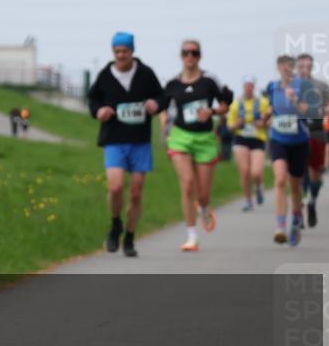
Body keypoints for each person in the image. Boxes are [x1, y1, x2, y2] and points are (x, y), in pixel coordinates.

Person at [87, 31, 165, 257]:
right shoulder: (105, 75)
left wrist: (155, 104)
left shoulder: (146, 74)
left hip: (140, 141)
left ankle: (130, 237)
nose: (120, 55)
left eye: (125, 51)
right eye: (117, 51)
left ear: (132, 52)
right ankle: (115, 225)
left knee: (136, 193)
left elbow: (161, 97)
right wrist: (98, 111)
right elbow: (93, 100)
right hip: (114, 139)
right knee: (115, 187)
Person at [158, 39, 234, 252]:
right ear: (181, 56)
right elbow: (162, 104)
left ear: (200, 56)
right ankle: (191, 236)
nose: (190, 57)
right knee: (187, 184)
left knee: (202, 194)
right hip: (180, 137)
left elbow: (225, 105)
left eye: (194, 53)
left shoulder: (209, 81)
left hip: (205, 139)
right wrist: (163, 119)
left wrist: (213, 111)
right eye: (185, 53)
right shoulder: (173, 83)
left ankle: (203, 206)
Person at [264, 55, 313, 246]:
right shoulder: (272, 87)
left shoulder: (303, 86)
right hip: (278, 140)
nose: (286, 68)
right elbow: (272, 108)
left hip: (299, 141)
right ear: (278, 67)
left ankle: (296, 219)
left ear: (293, 67)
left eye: (289, 65)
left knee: (295, 186)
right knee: (279, 180)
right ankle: (280, 227)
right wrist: (268, 116)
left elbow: (308, 111)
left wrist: (294, 100)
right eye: (283, 65)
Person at [296, 53, 329, 227]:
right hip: (297, 133)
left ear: (312, 67)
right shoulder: (291, 87)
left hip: (316, 133)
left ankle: (312, 201)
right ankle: (298, 211)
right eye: (301, 67)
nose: (304, 70)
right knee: (298, 175)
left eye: (307, 66)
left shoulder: (320, 86)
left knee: (316, 176)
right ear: (296, 68)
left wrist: (324, 110)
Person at [226, 76, 271, 211]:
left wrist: (263, 123)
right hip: (241, 139)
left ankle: (258, 186)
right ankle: (248, 200)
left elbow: (270, 122)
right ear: (243, 86)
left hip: (258, 138)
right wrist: (237, 124)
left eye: (251, 85)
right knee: (244, 172)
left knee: (256, 172)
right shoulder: (235, 104)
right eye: (247, 85)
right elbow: (229, 126)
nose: (249, 88)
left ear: (254, 86)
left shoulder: (263, 102)